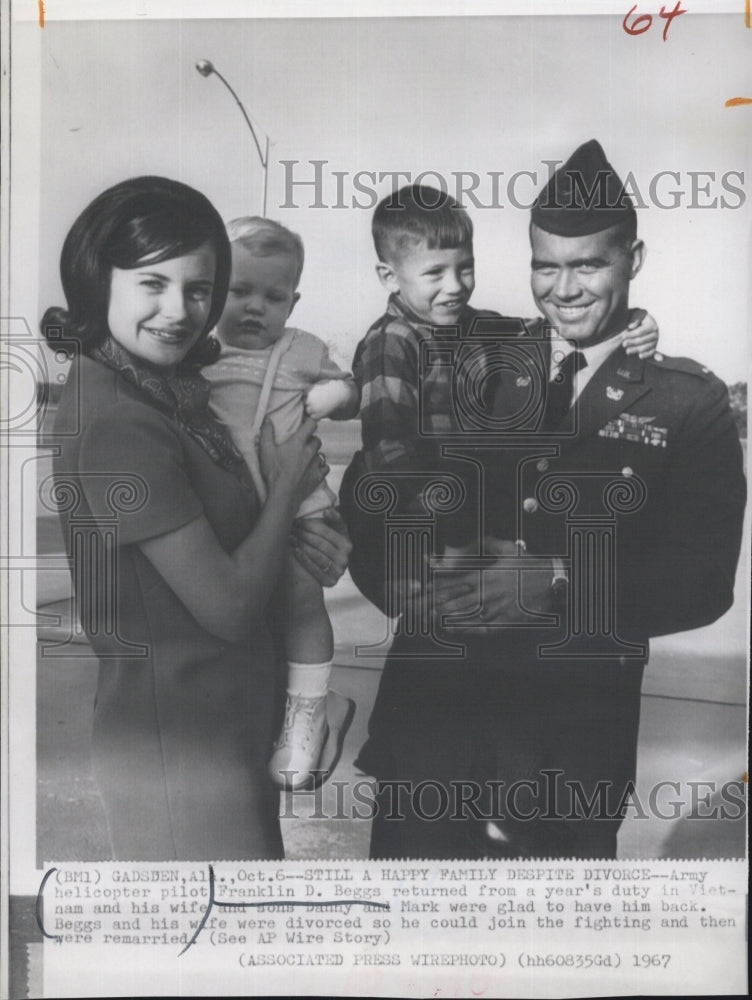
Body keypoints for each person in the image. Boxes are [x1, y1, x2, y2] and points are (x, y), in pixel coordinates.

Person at [342, 145, 746, 860]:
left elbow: (702, 581)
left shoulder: (688, 401)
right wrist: (410, 586)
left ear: (633, 258)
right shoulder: (473, 356)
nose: (564, 289)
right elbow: (369, 490)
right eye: (545, 266)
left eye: (588, 264)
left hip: (569, 757)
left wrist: (555, 581)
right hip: (431, 735)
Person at [43, 176, 351, 861]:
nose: (179, 311)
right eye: (152, 284)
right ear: (101, 283)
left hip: (227, 730)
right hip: (178, 754)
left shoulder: (169, 395)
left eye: (198, 288)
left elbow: (248, 552)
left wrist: (314, 540)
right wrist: (286, 490)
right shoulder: (120, 422)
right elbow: (229, 606)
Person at [204, 217, 359, 791]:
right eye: (240, 292)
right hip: (229, 500)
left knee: (299, 597)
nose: (254, 308)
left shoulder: (302, 349)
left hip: (295, 503)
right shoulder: (199, 346)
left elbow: (348, 390)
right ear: (215, 289)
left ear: (292, 304)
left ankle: (309, 711)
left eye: (273, 297)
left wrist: (335, 395)